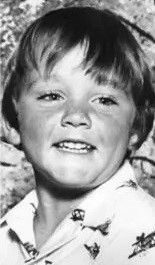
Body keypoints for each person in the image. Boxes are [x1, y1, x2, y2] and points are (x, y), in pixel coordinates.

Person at [0, 6, 155, 265]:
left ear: (135, 128)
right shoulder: (6, 235)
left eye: (104, 100)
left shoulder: (145, 237)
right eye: (52, 96)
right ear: (12, 122)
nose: (76, 115)